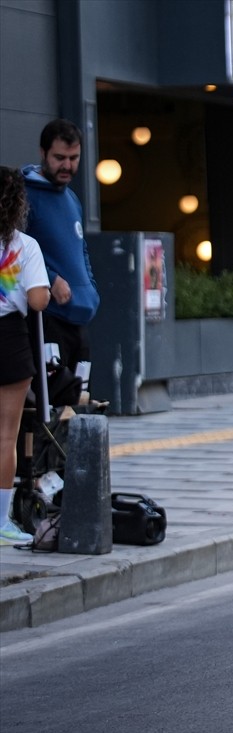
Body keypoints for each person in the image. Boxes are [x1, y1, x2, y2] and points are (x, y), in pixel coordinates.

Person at [21, 119, 99, 384]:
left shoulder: (71, 198)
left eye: (73, 158)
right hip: (46, 318)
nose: (67, 165)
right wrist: (51, 279)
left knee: (80, 396)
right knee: (52, 397)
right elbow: (11, 250)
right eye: (59, 158)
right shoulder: (24, 196)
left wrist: (89, 289)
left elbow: (81, 249)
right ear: (43, 153)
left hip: (80, 315)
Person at [0, 167, 51, 546]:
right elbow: (37, 300)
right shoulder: (25, 245)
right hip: (10, 340)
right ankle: (0, 524)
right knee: (6, 436)